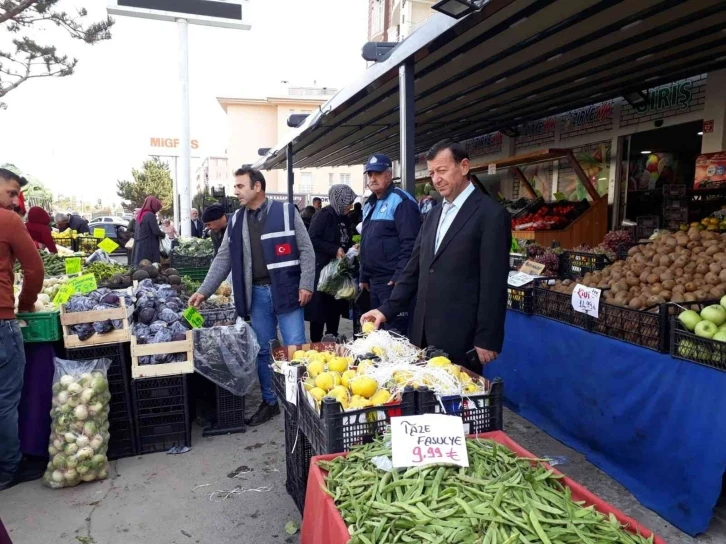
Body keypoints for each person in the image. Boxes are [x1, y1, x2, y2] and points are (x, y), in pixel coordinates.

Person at [361, 140, 511, 373]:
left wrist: (487, 337)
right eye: (432, 173)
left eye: (442, 170)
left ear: (464, 166)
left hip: (461, 334)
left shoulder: (490, 215)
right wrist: (385, 309)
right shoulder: (433, 214)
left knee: (457, 402)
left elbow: (494, 283)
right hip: (421, 331)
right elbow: (413, 269)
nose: (436, 179)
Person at [189, 167, 315, 426]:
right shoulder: (236, 220)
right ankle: (270, 402)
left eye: (240, 186)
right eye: (235, 187)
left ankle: (303, 402)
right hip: (255, 295)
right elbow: (223, 259)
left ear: (257, 187)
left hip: (288, 291)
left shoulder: (287, 212)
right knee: (263, 351)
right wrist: (203, 291)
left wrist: (306, 283)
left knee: (296, 349)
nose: (236, 192)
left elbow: (306, 250)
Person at [0, 169, 44, 490]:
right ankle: (10, 468)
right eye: (12, 193)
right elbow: (34, 269)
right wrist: (25, 305)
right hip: (2, 320)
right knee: (5, 399)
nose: (16, 202)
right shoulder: (8, 220)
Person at [358, 154, 420, 335]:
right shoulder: (370, 204)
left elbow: (411, 244)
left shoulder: (402, 201)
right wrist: (364, 275)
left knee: (395, 334)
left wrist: (401, 276)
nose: (372, 178)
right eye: (369, 174)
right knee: (376, 333)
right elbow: (366, 242)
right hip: (374, 282)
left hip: (392, 282)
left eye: (377, 173)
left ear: (389, 175)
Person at [306, 184, 357, 342]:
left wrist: (351, 248)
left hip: (338, 272)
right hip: (323, 272)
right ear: (339, 200)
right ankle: (315, 345)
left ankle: (332, 340)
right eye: (348, 202)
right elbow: (312, 239)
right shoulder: (324, 215)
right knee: (319, 311)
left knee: (334, 309)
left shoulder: (343, 217)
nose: (351, 206)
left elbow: (344, 239)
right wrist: (333, 249)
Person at [133, 197, 165, 266]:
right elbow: (156, 231)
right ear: (153, 205)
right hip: (149, 246)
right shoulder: (150, 215)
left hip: (139, 246)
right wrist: (163, 234)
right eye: (157, 207)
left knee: (141, 268)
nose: (157, 210)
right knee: (151, 268)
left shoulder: (140, 215)